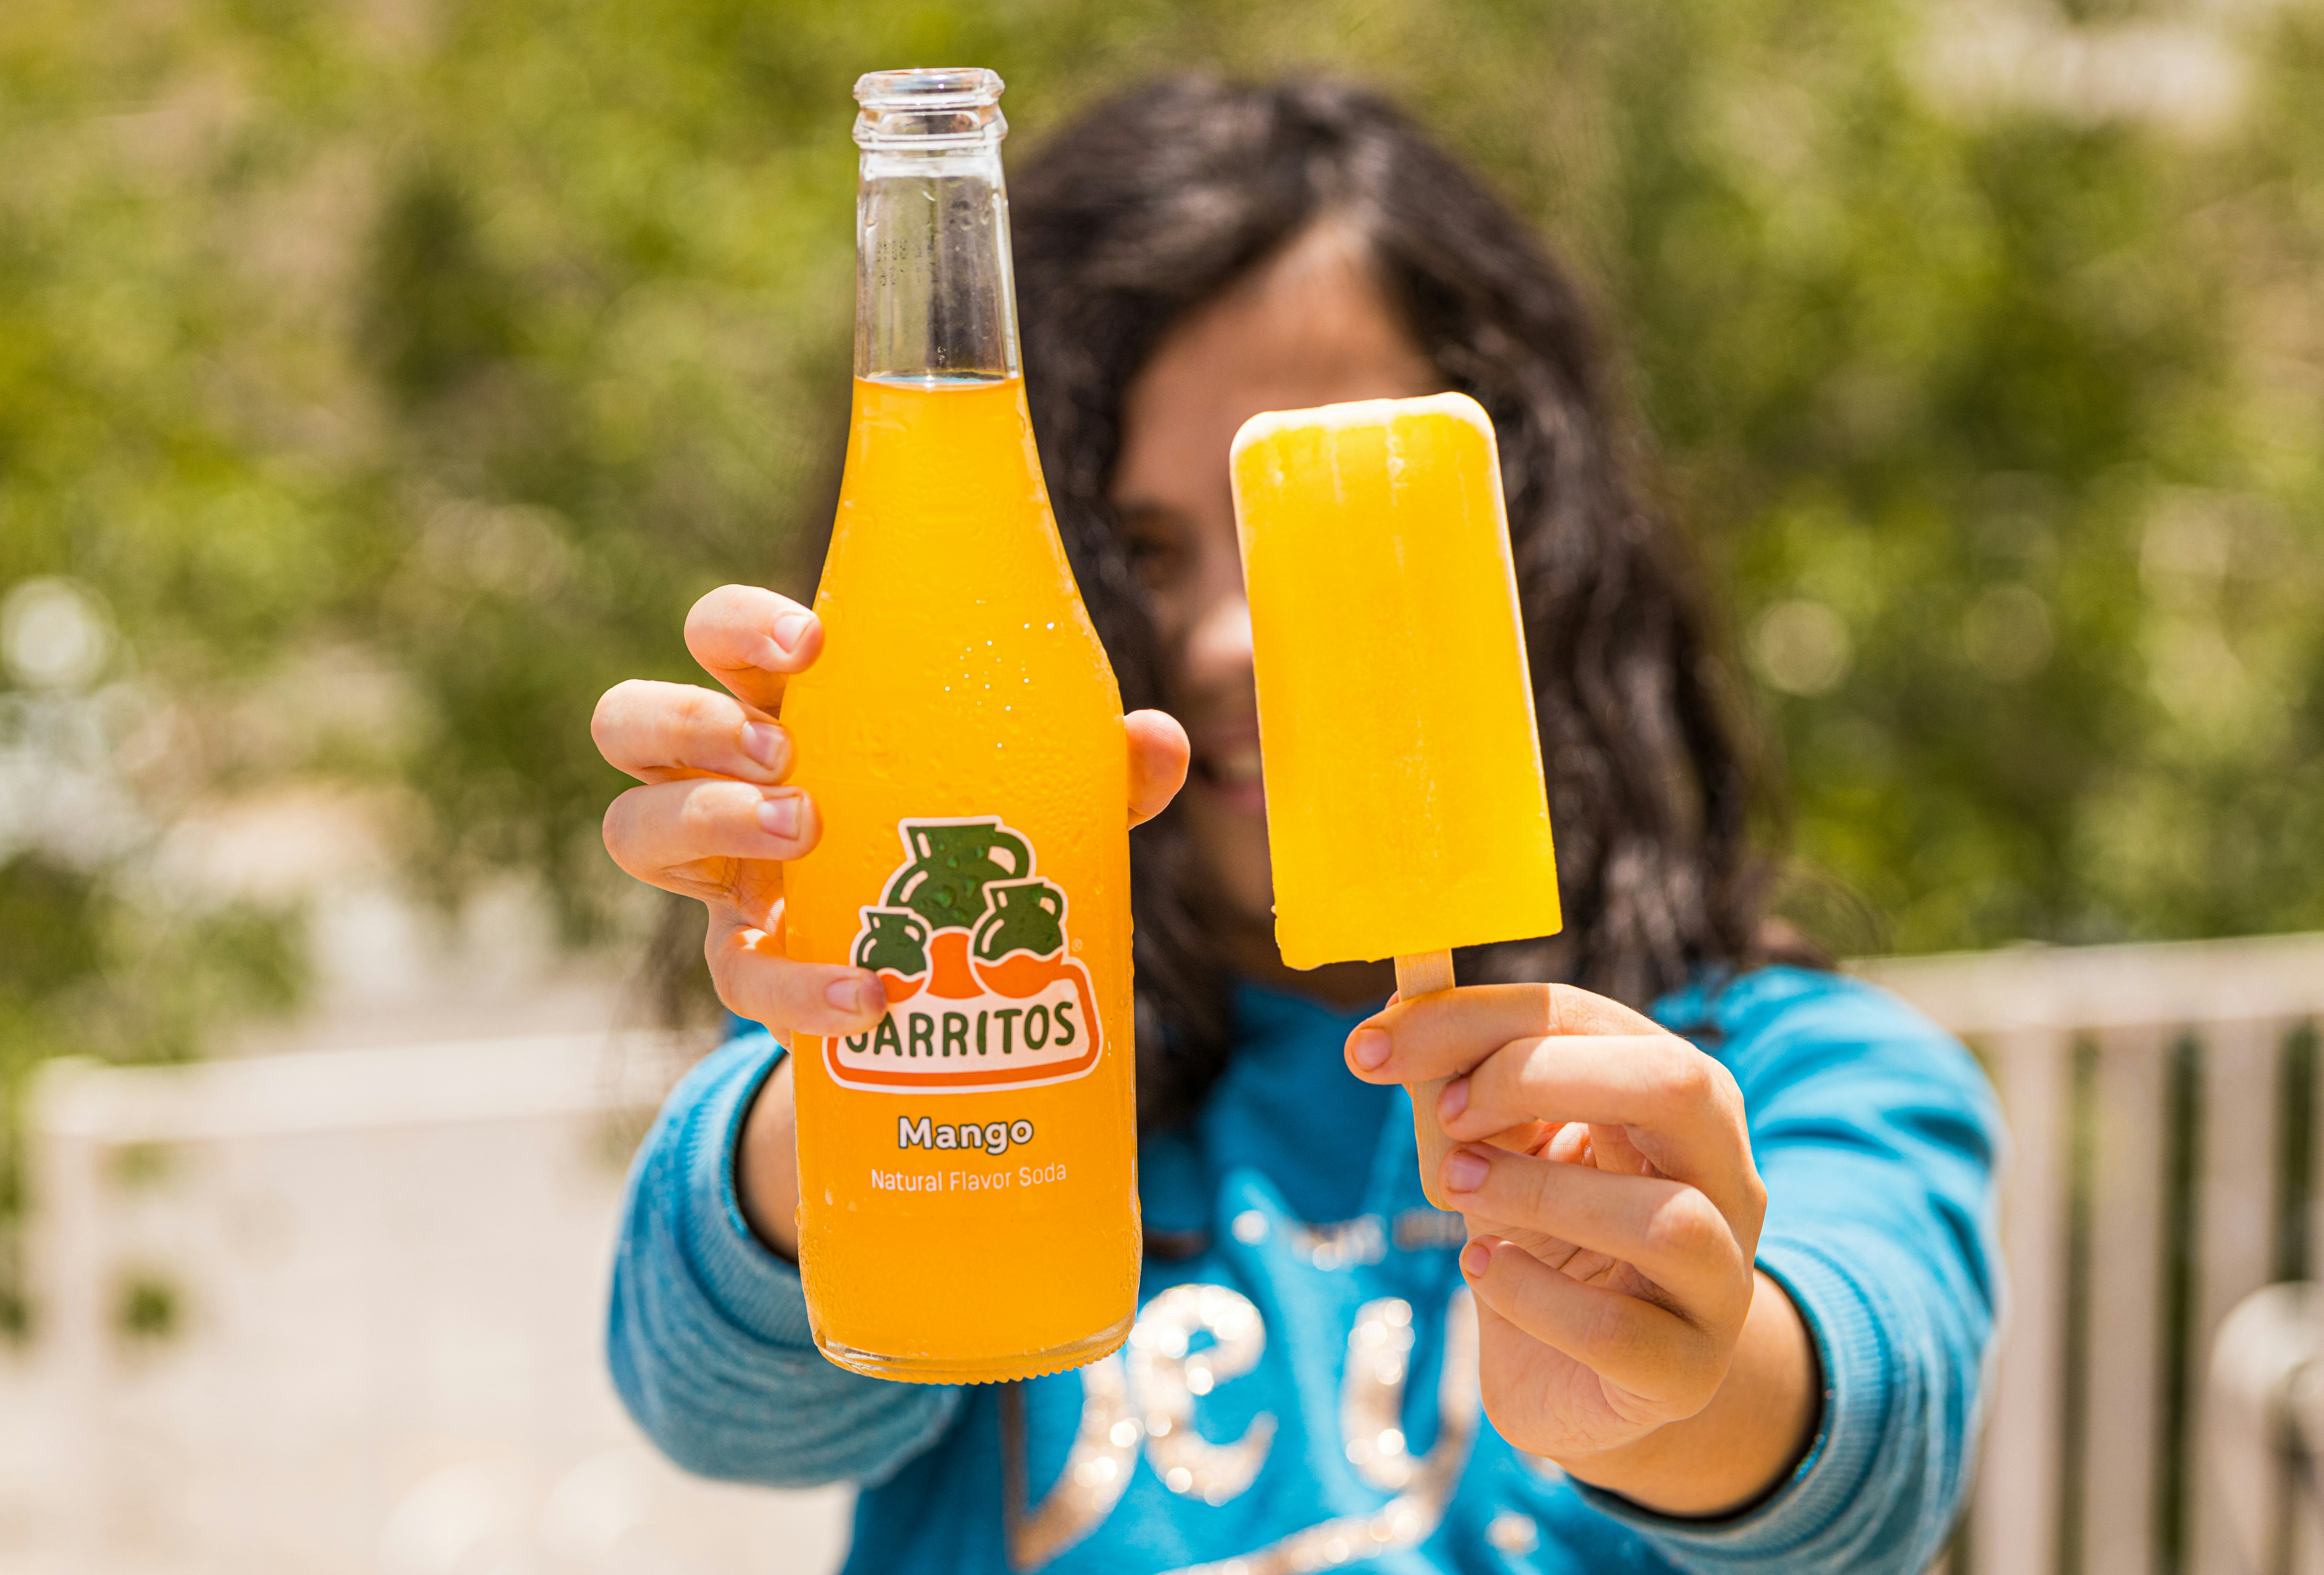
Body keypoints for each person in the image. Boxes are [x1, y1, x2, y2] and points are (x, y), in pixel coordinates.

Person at [593, 76, 2001, 1574]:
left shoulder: (1789, 1068)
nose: (1227, 640)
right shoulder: (1020, 1085)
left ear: (1528, 541)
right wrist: (856, 1080)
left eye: (1303, 532)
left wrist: (1688, 1378)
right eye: (1139, 549)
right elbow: (723, 1411)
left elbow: (1876, 1447)